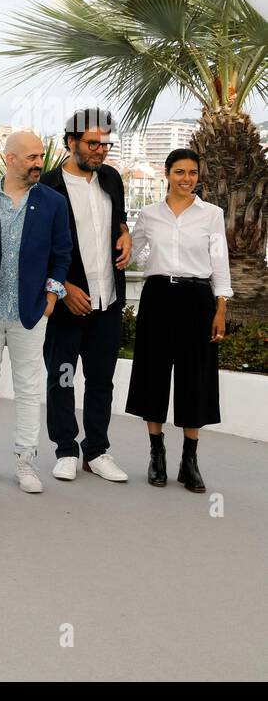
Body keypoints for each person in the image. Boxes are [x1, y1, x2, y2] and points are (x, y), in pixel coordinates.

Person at [0, 131, 72, 493]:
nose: (37, 163)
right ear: (10, 159)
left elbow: (62, 255)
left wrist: (52, 297)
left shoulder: (53, 202)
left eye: (40, 156)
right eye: (30, 157)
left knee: (28, 388)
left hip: (31, 311)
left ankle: (25, 461)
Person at [125, 148, 230, 492]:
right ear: (167, 174)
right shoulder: (149, 214)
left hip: (198, 299)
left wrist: (221, 307)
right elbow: (133, 252)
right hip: (157, 296)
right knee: (152, 373)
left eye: (193, 173)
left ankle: (190, 460)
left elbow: (219, 263)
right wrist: (123, 239)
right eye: (180, 172)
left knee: (194, 377)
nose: (187, 179)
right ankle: (157, 454)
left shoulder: (211, 214)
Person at [40, 109, 132, 483]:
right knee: (62, 379)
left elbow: (118, 218)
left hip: (107, 303)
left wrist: (125, 232)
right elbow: (35, 251)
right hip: (66, 306)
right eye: (93, 143)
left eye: (105, 144)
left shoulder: (111, 178)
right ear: (70, 142)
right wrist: (62, 290)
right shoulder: (47, 187)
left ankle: (97, 451)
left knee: (101, 381)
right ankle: (65, 449)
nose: (100, 151)